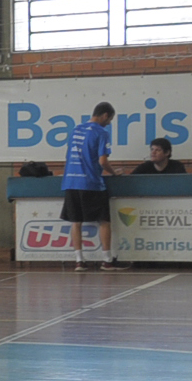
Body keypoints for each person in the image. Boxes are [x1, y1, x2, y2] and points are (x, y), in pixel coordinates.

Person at [63, 102, 127, 271]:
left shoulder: (75, 130)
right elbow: (102, 161)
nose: (109, 123)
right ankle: (106, 260)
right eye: (110, 119)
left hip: (70, 181)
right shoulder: (101, 133)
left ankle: (79, 261)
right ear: (105, 115)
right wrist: (114, 173)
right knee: (104, 221)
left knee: (76, 222)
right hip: (90, 182)